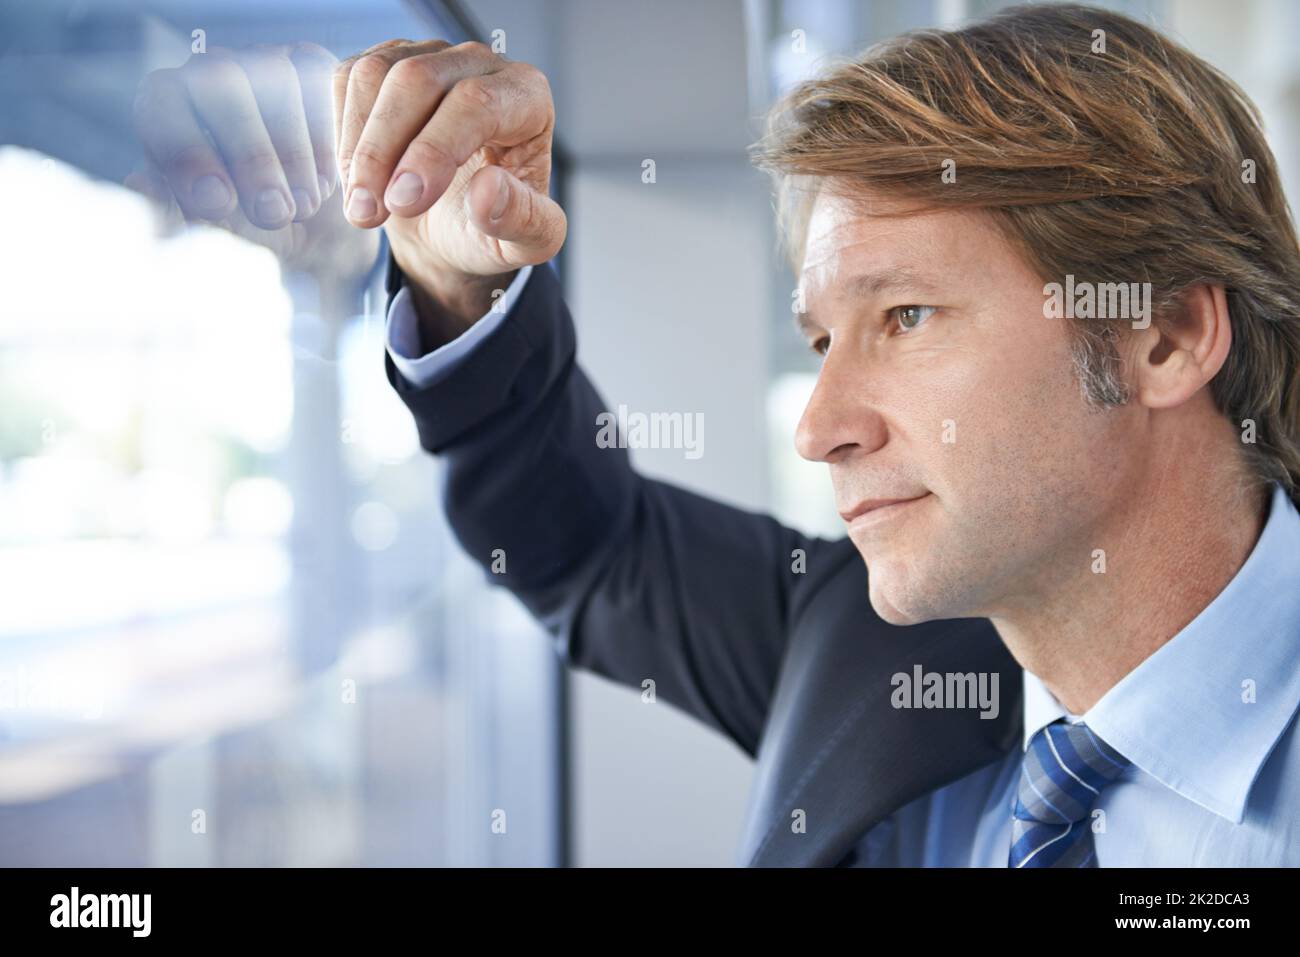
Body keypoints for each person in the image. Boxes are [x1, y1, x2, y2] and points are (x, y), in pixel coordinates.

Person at [135, 3, 1300, 866]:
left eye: (906, 317)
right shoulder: (867, 645)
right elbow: (581, 546)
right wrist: (454, 285)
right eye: (820, 342)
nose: (821, 427)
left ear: (1160, 337)